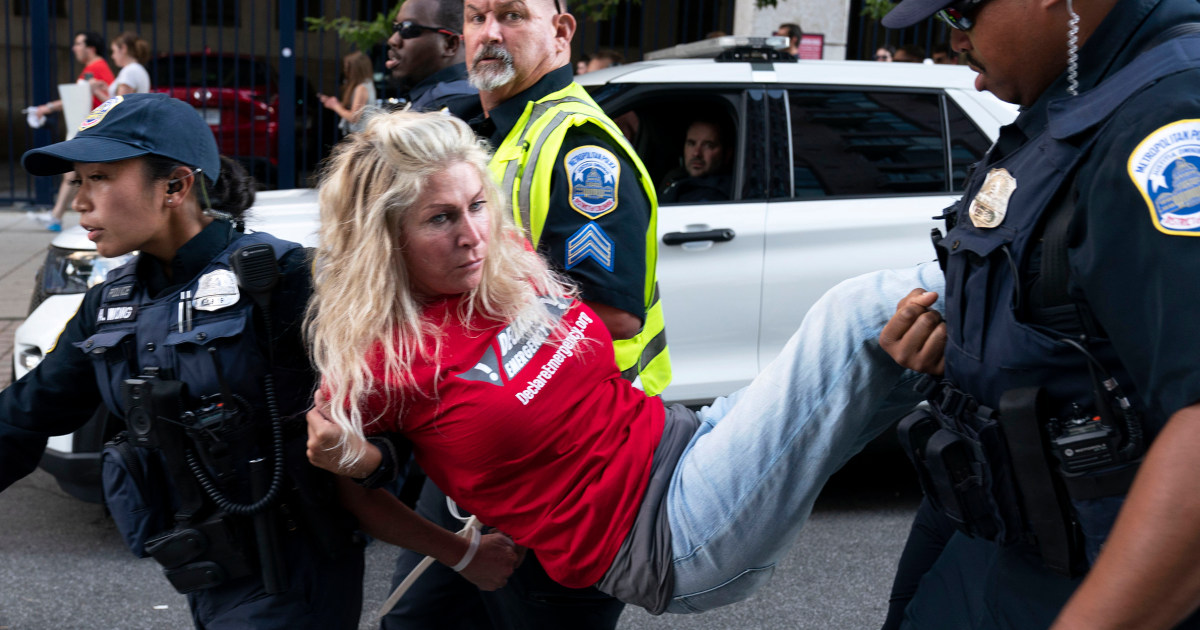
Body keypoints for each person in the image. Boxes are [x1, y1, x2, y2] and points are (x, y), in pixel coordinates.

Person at [302, 109, 940, 617]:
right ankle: (1017, 262)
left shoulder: (505, 257)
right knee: (854, 312)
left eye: (477, 204)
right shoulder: (381, 357)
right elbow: (359, 491)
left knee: (892, 343)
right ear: (384, 239)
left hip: (693, 438)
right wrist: (461, 554)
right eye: (440, 218)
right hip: (667, 537)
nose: (473, 233)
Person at [875, 0, 1200, 627]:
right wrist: (967, 355)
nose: (957, 43)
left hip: (1093, 573)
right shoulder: (1082, 96)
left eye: (960, 15)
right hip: (997, 532)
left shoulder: (1170, 118)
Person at [0, 93, 364, 628]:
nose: (80, 200)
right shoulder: (111, 302)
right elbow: (24, 414)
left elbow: (397, 403)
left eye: (99, 176)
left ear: (176, 185)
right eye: (79, 181)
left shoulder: (283, 279)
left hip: (295, 577)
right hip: (205, 571)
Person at [365, 1, 672, 627]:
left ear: (560, 33)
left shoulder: (579, 147)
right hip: (485, 439)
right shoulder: (492, 133)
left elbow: (612, 312)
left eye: (511, 14)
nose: (490, 33)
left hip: (565, 456)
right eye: (477, 17)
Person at [28, 31, 115, 232]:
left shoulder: (94, 69)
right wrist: (47, 107)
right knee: (73, 174)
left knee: (77, 175)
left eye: (78, 43)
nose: (74, 48)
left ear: (90, 48)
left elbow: (105, 101)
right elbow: (77, 98)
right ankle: (57, 216)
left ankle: (64, 216)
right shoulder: (95, 69)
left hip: (92, 129)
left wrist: (47, 107)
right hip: (90, 129)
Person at [387, 0, 481, 118]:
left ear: (450, 44)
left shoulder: (444, 105)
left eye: (408, 28)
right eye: (396, 27)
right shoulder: (473, 93)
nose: (393, 40)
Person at [660, 117, 733, 203]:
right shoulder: (674, 177)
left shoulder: (718, 196)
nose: (696, 153)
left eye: (708, 145)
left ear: (728, 153)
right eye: (691, 143)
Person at [320, 50, 377, 135]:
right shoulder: (368, 84)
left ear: (355, 70)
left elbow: (354, 117)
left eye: (347, 68)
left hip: (361, 135)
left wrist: (335, 106)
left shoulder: (361, 88)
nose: (345, 71)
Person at [89, 31, 151, 101]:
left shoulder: (130, 70)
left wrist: (96, 91)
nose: (112, 56)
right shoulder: (137, 68)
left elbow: (120, 105)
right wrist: (107, 89)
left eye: (114, 51)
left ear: (124, 49)